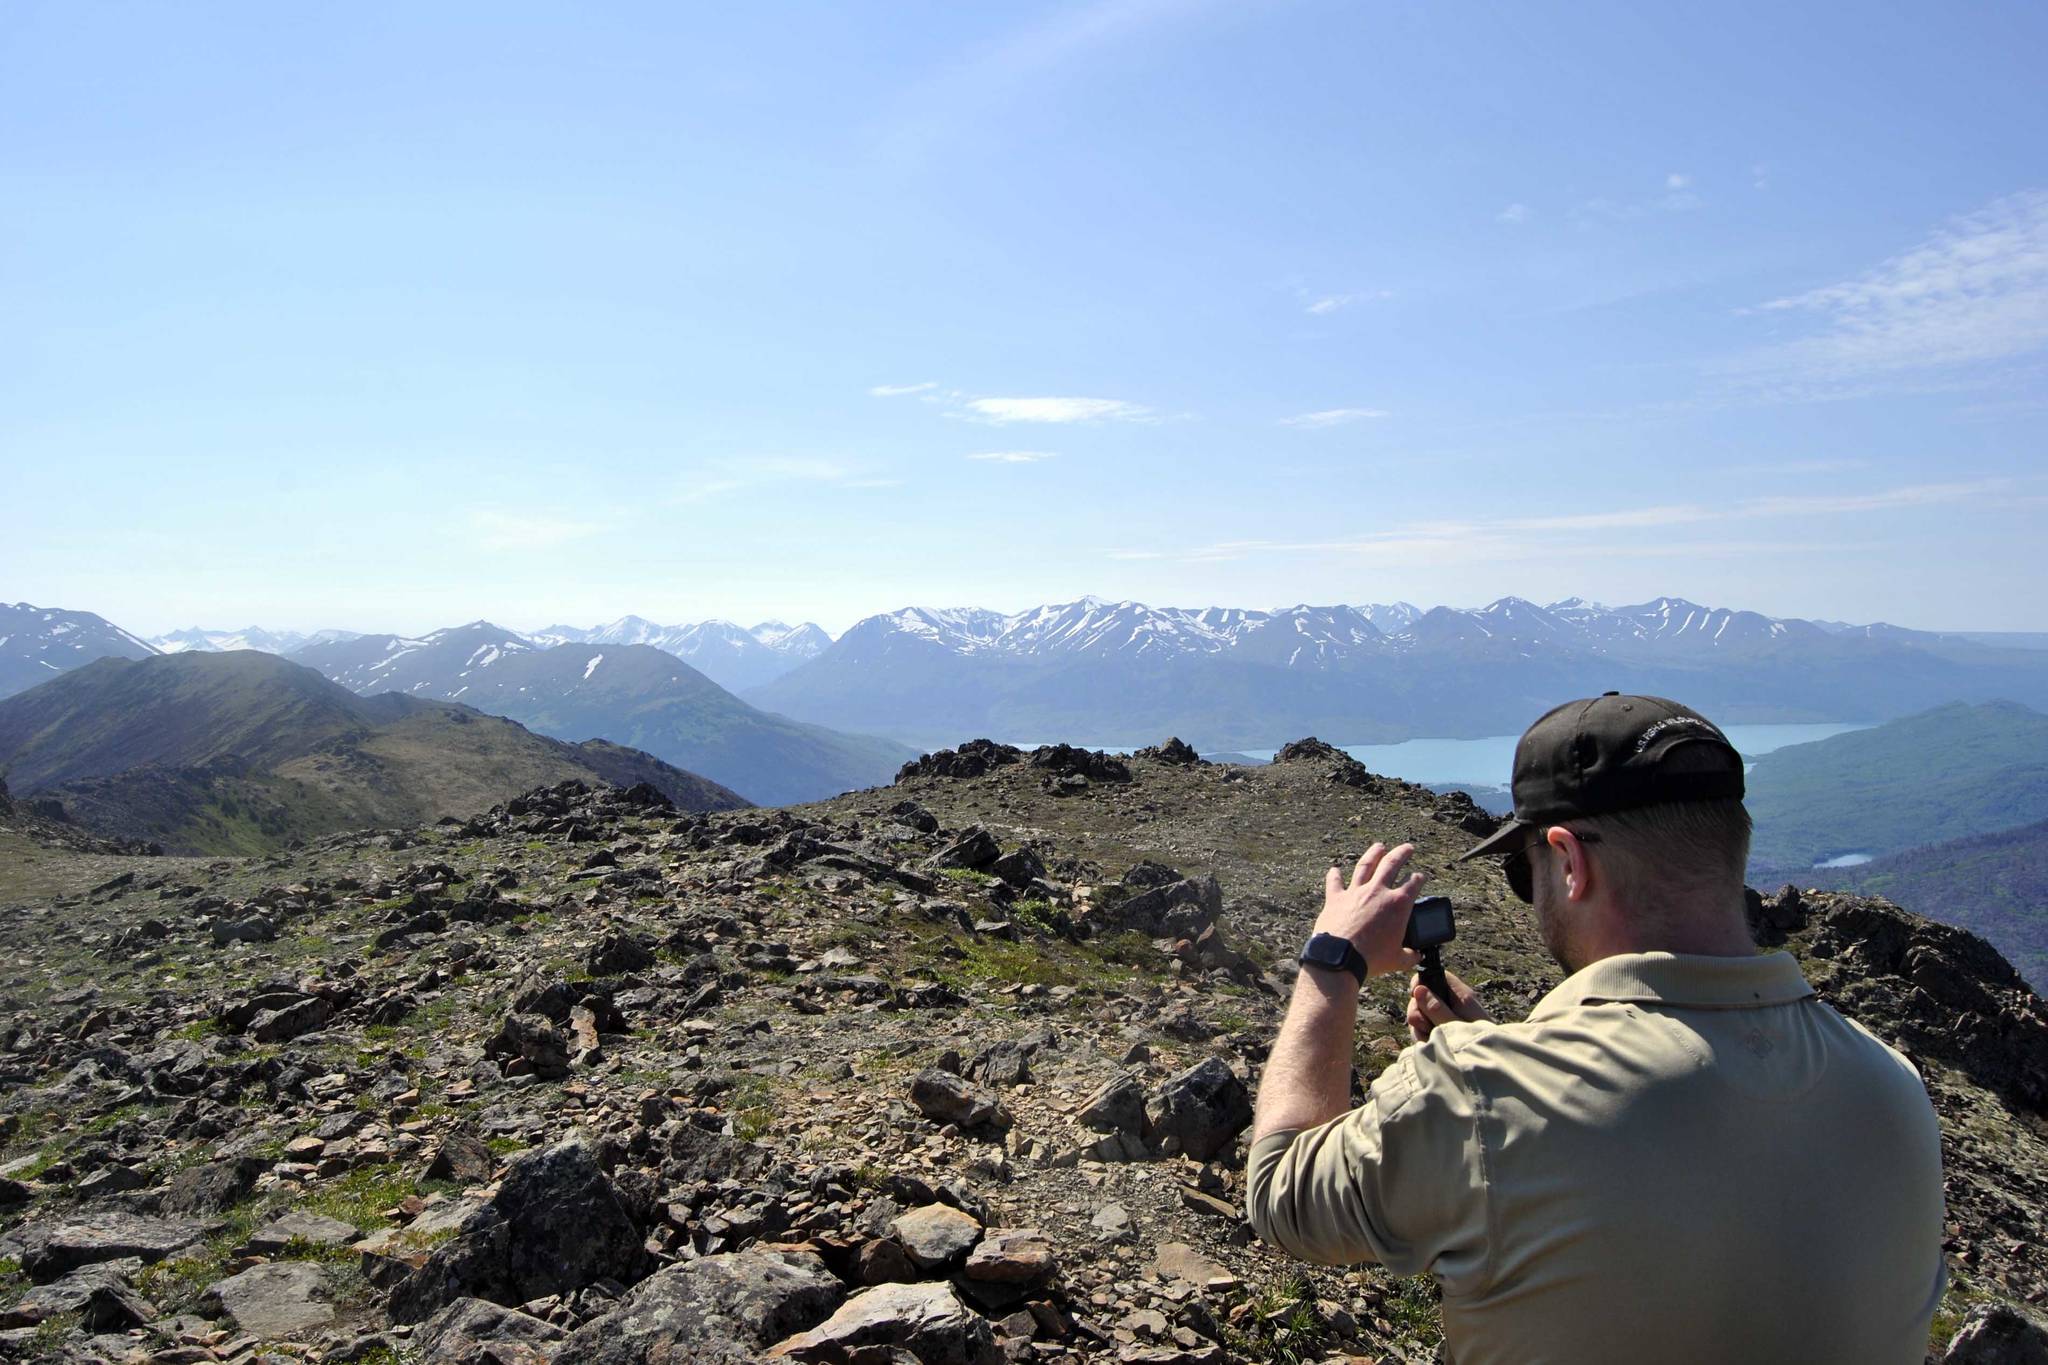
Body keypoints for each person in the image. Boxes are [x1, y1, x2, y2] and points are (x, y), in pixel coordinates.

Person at [1244, 693, 1947, 1365]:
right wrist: (1508, 1047)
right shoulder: (1894, 1089)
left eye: (1527, 872)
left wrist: (1332, 961)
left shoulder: (1484, 1095)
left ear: (1571, 861)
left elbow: (1281, 1193)